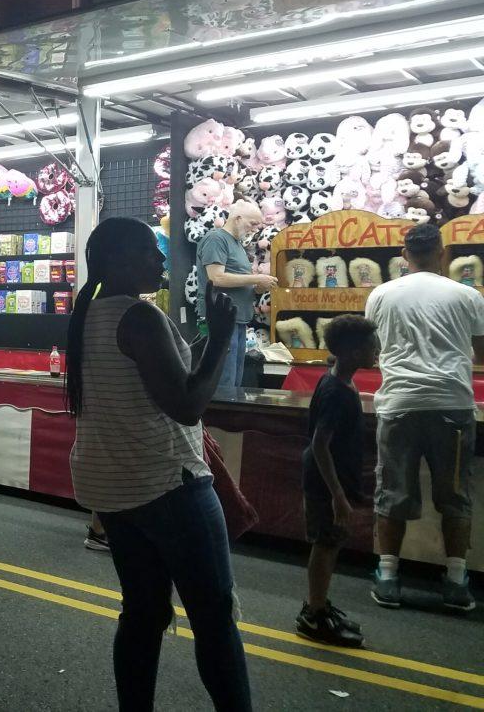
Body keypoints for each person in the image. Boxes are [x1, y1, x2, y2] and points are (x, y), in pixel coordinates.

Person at [66, 216, 251, 711]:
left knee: (143, 614)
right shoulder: (139, 317)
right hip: (169, 484)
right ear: (120, 260)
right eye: (151, 251)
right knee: (214, 619)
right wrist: (222, 336)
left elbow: (154, 381)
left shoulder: (89, 316)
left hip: (117, 490)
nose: (162, 260)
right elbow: (186, 404)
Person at [365, 222, 481, 613]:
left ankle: (388, 574)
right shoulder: (467, 295)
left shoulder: (381, 294)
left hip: (399, 404)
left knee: (393, 490)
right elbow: (480, 353)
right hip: (452, 405)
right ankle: (455, 580)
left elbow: (375, 348)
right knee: (455, 494)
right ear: (442, 253)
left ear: (404, 255)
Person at [295, 314, 377, 648]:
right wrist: (338, 496)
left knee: (332, 541)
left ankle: (319, 603)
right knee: (325, 544)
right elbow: (319, 443)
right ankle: (314, 614)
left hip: (335, 479)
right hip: (325, 483)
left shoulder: (343, 380)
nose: (377, 350)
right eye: (372, 346)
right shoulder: (337, 392)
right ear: (353, 351)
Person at [195, 199, 277, 393]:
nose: (255, 229)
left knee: (235, 379)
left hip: (237, 317)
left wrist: (258, 286)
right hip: (221, 318)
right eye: (253, 223)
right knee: (225, 380)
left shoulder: (237, 245)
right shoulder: (217, 238)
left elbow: (237, 281)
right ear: (238, 218)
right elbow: (216, 278)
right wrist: (255, 278)